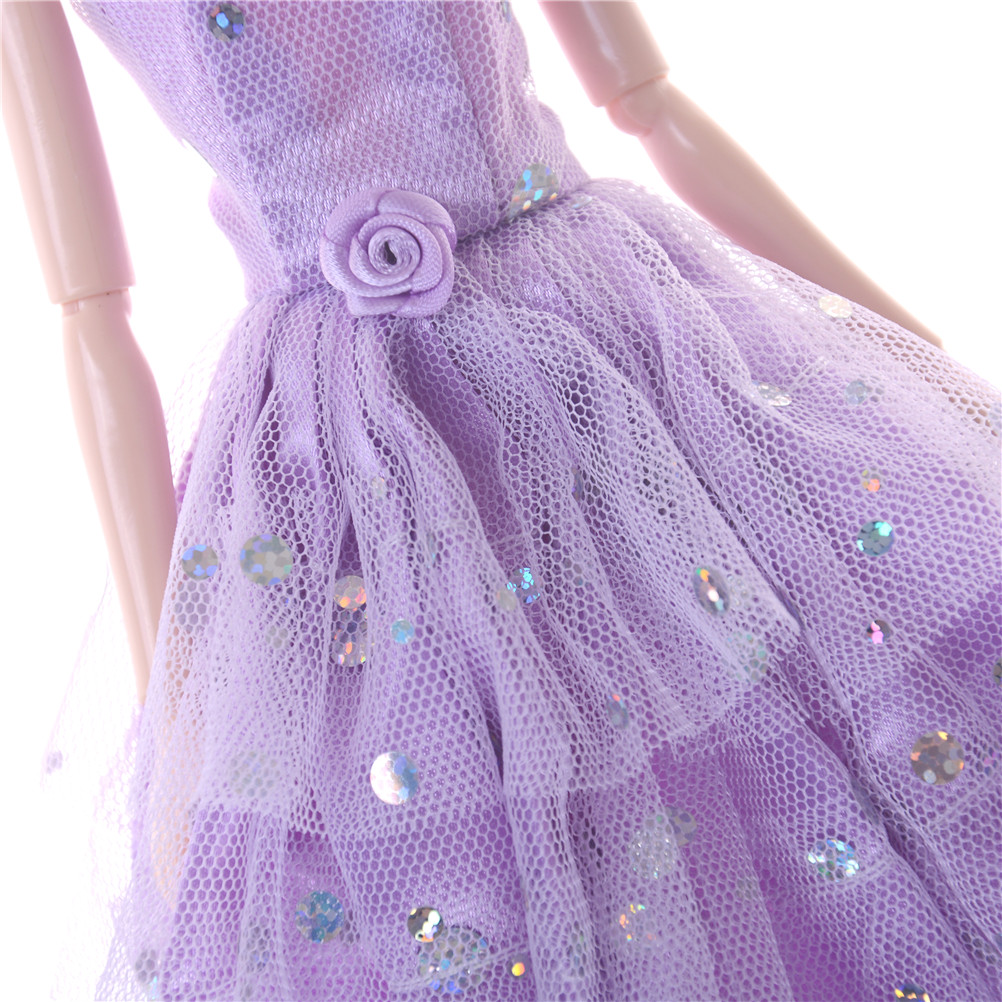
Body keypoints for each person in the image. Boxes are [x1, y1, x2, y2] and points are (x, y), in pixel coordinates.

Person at [3, 3, 999, 1000]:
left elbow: (646, 100)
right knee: (478, 850)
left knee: (793, 730)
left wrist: (924, 365)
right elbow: (91, 316)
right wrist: (179, 707)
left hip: (612, 358)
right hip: (367, 469)